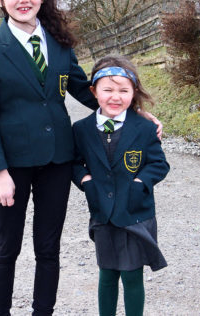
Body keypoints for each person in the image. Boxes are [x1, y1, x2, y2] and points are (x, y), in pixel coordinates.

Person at [0, 0, 162, 316]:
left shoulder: (58, 42)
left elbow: (84, 89)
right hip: (12, 166)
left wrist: (134, 113)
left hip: (58, 160)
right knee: (6, 247)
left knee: (48, 247)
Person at [72, 55, 170, 316]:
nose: (116, 97)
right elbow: (74, 162)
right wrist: (86, 181)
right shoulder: (81, 129)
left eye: (123, 91)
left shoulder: (145, 128)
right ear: (94, 91)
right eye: (108, 90)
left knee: (132, 275)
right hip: (102, 213)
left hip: (135, 212)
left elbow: (159, 164)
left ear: (133, 92)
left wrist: (140, 182)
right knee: (107, 273)